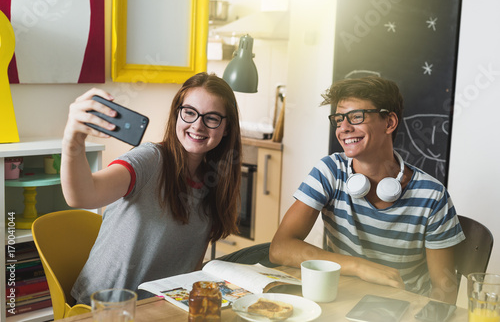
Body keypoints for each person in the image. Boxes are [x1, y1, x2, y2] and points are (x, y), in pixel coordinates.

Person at [269, 76, 464, 304]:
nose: (344, 128)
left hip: (402, 311)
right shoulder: (330, 171)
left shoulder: (432, 195)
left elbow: (444, 291)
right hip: (341, 302)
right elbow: (280, 248)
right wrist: (359, 266)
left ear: (389, 123)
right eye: (339, 119)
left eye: (356, 117)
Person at [61, 72, 242, 305]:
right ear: (177, 114)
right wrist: (73, 139)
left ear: (226, 128)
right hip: (104, 309)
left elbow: (190, 265)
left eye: (212, 118)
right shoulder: (150, 159)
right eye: (189, 112)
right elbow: (82, 196)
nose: (197, 125)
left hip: (161, 309)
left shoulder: (217, 182)